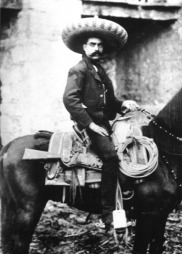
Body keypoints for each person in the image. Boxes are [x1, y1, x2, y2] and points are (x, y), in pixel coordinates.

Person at [62, 17, 138, 230]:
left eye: (99, 45)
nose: (97, 48)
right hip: (90, 126)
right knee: (111, 158)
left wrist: (124, 104)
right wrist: (89, 124)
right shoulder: (79, 70)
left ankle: (129, 202)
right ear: (84, 47)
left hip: (104, 124)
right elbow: (70, 100)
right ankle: (107, 214)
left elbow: (110, 103)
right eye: (92, 45)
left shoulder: (100, 70)